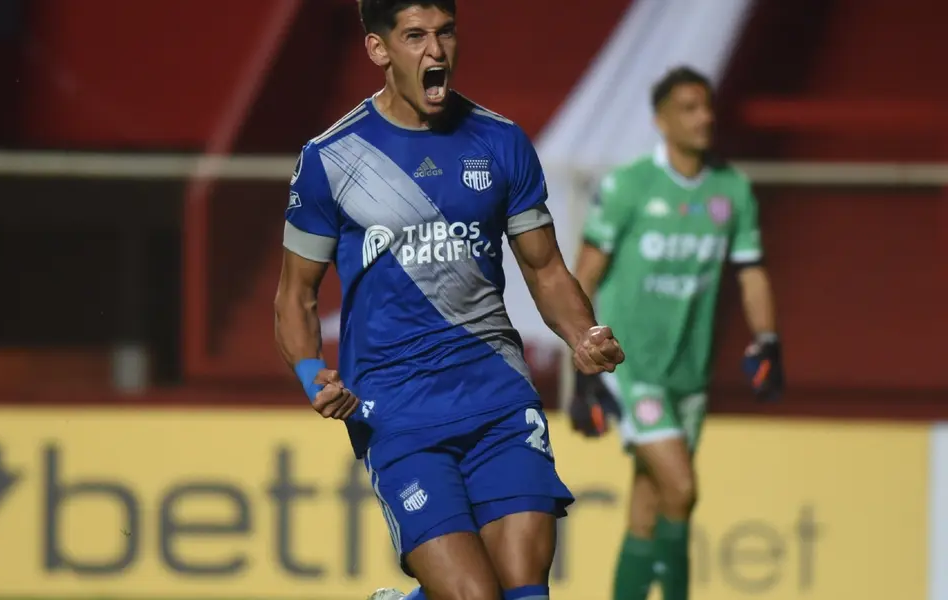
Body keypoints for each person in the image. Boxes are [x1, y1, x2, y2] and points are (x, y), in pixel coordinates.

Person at [272, 2, 625, 599]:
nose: (435, 51)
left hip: (498, 397)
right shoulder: (332, 158)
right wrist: (312, 375)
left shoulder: (501, 141)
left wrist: (583, 334)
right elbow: (295, 296)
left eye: (445, 33)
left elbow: (545, 269)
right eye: (415, 36)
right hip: (396, 411)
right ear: (379, 49)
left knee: (525, 591)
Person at [568, 66, 785, 600]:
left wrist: (767, 339)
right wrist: (586, 365)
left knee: (651, 503)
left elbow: (751, 272)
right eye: (689, 108)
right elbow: (584, 275)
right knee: (682, 489)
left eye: (707, 106)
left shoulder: (732, 189)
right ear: (661, 120)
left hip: (689, 370)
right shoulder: (629, 185)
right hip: (631, 366)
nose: (704, 117)